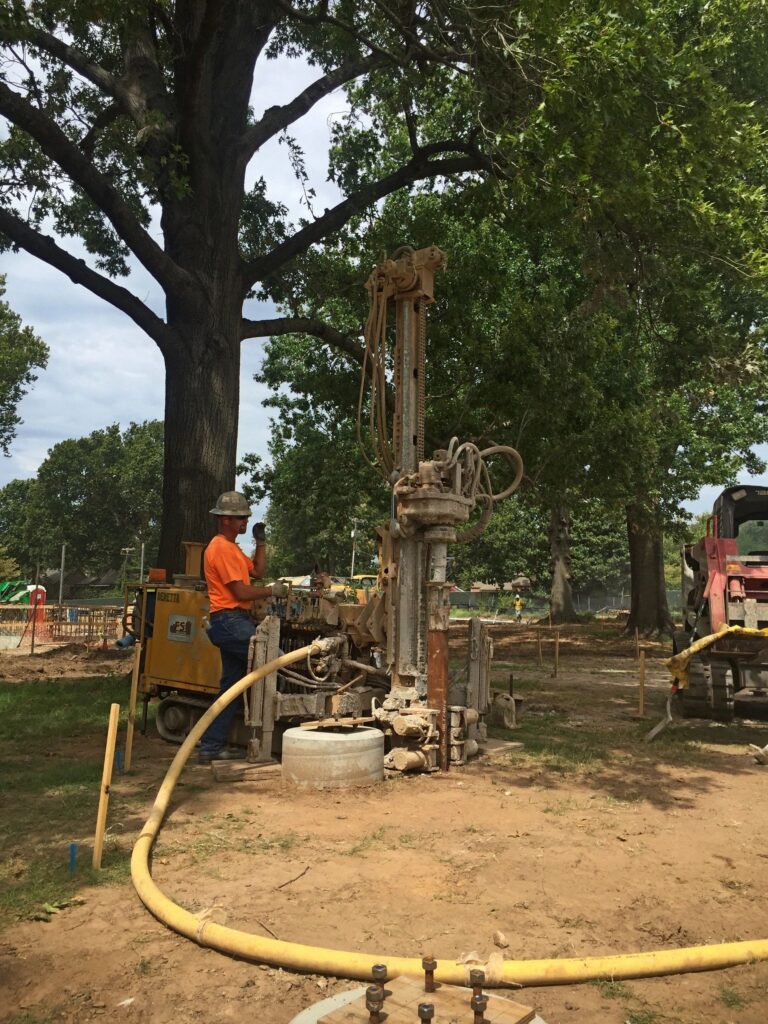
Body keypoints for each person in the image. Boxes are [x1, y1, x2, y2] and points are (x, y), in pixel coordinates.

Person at [198, 491, 288, 764]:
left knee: (232, 687)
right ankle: (274, 735)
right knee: (275, 660)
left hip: (234, 621)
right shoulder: (220, 548)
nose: (245, 523)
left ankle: (210, 747)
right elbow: (239, 592)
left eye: (246, 518)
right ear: (225, 519)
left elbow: (257, 572)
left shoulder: (233, 549)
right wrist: (272, 591)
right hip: (228, 620)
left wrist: (261, 543)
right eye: (241, 518)